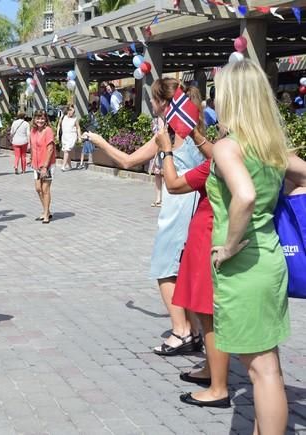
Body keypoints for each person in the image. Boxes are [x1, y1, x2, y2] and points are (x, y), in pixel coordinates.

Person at [203, 59, 306, 430]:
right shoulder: (270, 146)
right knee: (267, 364)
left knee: (262, 371)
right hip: (269, 258)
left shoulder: (228, 147)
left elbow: (244, 196)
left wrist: (229, 246)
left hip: (244, 265)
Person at [86, 79, 210, 355]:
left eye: (153, 100)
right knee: (184, 270)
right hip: (197, 205)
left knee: (164, 268)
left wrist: (99, 141)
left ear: (164, 103)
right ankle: (194, 329)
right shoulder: (196, 130)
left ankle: (181, 331)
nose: (151, 105)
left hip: (178, 206)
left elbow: (128, 161)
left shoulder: (167, 135)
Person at [155, 128, 230, 407]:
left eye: (221, 132)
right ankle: (212, 369)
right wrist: (197, 135)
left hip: (207, 235)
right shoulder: (245, 156)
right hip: (210, 232)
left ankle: (218, 387)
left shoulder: (218, 164)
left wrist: (166, 151)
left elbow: (173, 184)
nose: (216, 135)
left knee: (208, 312)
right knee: (204, 309)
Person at [28, 110, 55, 224]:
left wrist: (45, 166)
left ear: (46, 119)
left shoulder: (48, 130)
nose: (40, 121)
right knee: (38, 189)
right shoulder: (33, 131)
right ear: (34, 119)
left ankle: (46, 214)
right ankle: (46, 210)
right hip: (36, 164)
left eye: (42, 118)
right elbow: (33, 147)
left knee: (45, 189)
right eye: (38, 118)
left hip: (47, 164)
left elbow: (50, 149)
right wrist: (30, 158)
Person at [56, 105, 81, 172]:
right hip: (65, 136)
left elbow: (78, 128)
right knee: (66, 151)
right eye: (70, 111)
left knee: (67, 150)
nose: (72, 113)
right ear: (67, 110)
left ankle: (63, 166)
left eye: (73, 111)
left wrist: (79, 137)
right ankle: (69, 166)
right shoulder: (63, 117)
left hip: (72, 136)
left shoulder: (75, 118)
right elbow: (59, 125)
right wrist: (57, 135)